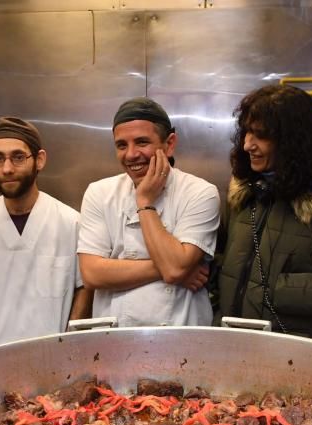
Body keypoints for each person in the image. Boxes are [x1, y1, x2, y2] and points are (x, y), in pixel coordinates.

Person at [216, 85, 312, 338]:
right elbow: (223, 259)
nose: (247, 144)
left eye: (261, 135)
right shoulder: (246, 195)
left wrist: (270, 286)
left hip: (287, 352)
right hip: (229, 340)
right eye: (246, 132)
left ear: (293, 142)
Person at [77, 97, 219, 326]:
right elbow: (92, 274)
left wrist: (144, 201)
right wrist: (172, 268)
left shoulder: (201, 193)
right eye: (122, 145)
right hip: (113, 339)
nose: (131, 154)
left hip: (181, 340)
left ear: (169, 143)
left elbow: (173, 269)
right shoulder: (99, 193)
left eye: (142, 142)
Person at [0, 117, 92, 344]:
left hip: (55, 359)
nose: (7, 169)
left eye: (18, 157)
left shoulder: (70, 223)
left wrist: (69, 341)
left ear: (39, 160)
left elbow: (83, 288)